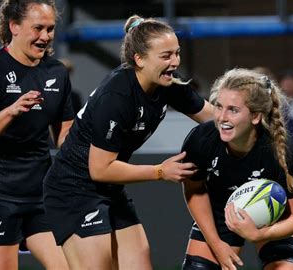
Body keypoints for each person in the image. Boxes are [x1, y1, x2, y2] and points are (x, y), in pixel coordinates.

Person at [43, 15, 213, 269]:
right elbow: (100, 169)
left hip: (110, 189)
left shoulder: (168, 83)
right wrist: (160, 171)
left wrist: (258, 123)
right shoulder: (117, 95)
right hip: (73, 190)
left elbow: (216, 120)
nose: (175, 62)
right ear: (139, 59)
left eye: (176, 54)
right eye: (166, 56)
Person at [0, 1, 74, 269]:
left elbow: (64, 136)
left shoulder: (57, 72)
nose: (45, 36)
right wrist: (11, 111)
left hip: (41, 192)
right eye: (38, 28)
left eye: (50, 29)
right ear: (14, 26)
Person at [180, 68, 293, 269]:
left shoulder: (284, 151)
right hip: (222, 210)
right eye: (218, 106)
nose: (222, 117)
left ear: (256, 117)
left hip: (274, 214)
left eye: (233, 110)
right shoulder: (201, 140)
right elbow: (194, 190)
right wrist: (216, 244)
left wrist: (259, 234)